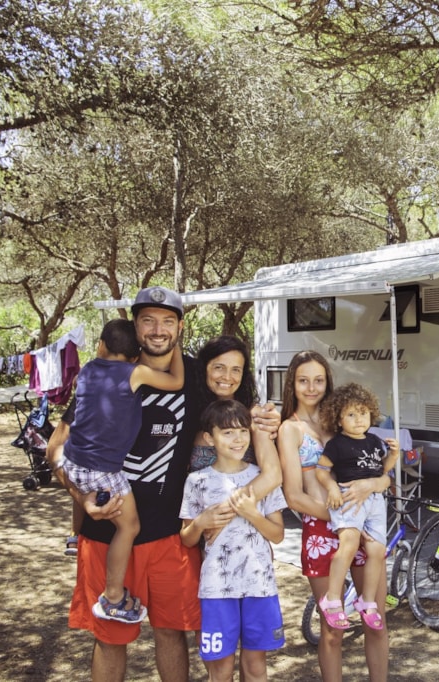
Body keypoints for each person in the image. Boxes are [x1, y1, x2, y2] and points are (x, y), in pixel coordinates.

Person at [52, 286, 281, 682]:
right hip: (105, 532)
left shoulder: (194, 376)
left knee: (172, 631)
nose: (158, 330)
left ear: (180, 326)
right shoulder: (109, 373)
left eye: (167, 321)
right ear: (134, 324)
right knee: (110, 637)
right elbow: (57, 447)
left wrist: (267, 419)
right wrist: (81, 496)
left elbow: (234, 416)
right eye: (148, 320)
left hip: (170, 536)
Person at [57, 318, 185, 624]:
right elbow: (176, 381)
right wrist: (176, 346)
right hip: (101, 469)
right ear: (135, 356)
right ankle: (113, 597)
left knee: (95, 501)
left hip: (71, 461)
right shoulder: (135, 372)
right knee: (129, 527)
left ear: (100, 345)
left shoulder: (87, 371)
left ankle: (75, 536)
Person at [276, 351, 392, 682]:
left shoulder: (344, 418)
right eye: (303, 380)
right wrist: (342, 519)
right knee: (332, 630)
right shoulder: (290, 429)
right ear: (292, 384)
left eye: (319, 380)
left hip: (362, 525)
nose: (311, 387)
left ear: (328, 382)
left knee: (376, 620)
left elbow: (381, 474)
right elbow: (293, 496)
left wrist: (375, 483)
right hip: (323, 529)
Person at [180, 399, 287, 682]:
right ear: (209, 438)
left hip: (259, 585)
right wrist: (201, 522)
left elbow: (278, 535)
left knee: (255, 667)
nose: (237, 439)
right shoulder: (197, 481)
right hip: (217, 589)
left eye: (242, 431)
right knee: (221, 669)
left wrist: (253, 514)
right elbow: (187, 539)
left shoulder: (263, 477)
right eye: (227, 432)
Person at [314, 383, 399, 631]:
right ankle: (332, 598)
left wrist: (393, 456)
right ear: (339, 419)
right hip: (348, 497)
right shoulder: (337, 444)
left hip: (375, 500)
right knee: (349, 543)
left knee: (377, 550)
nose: (358, 419)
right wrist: (331, 488)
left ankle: (367, 601)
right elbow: (321, 470)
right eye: (351, 414)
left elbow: (382, 471)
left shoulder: (374, 441)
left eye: (363, 413)